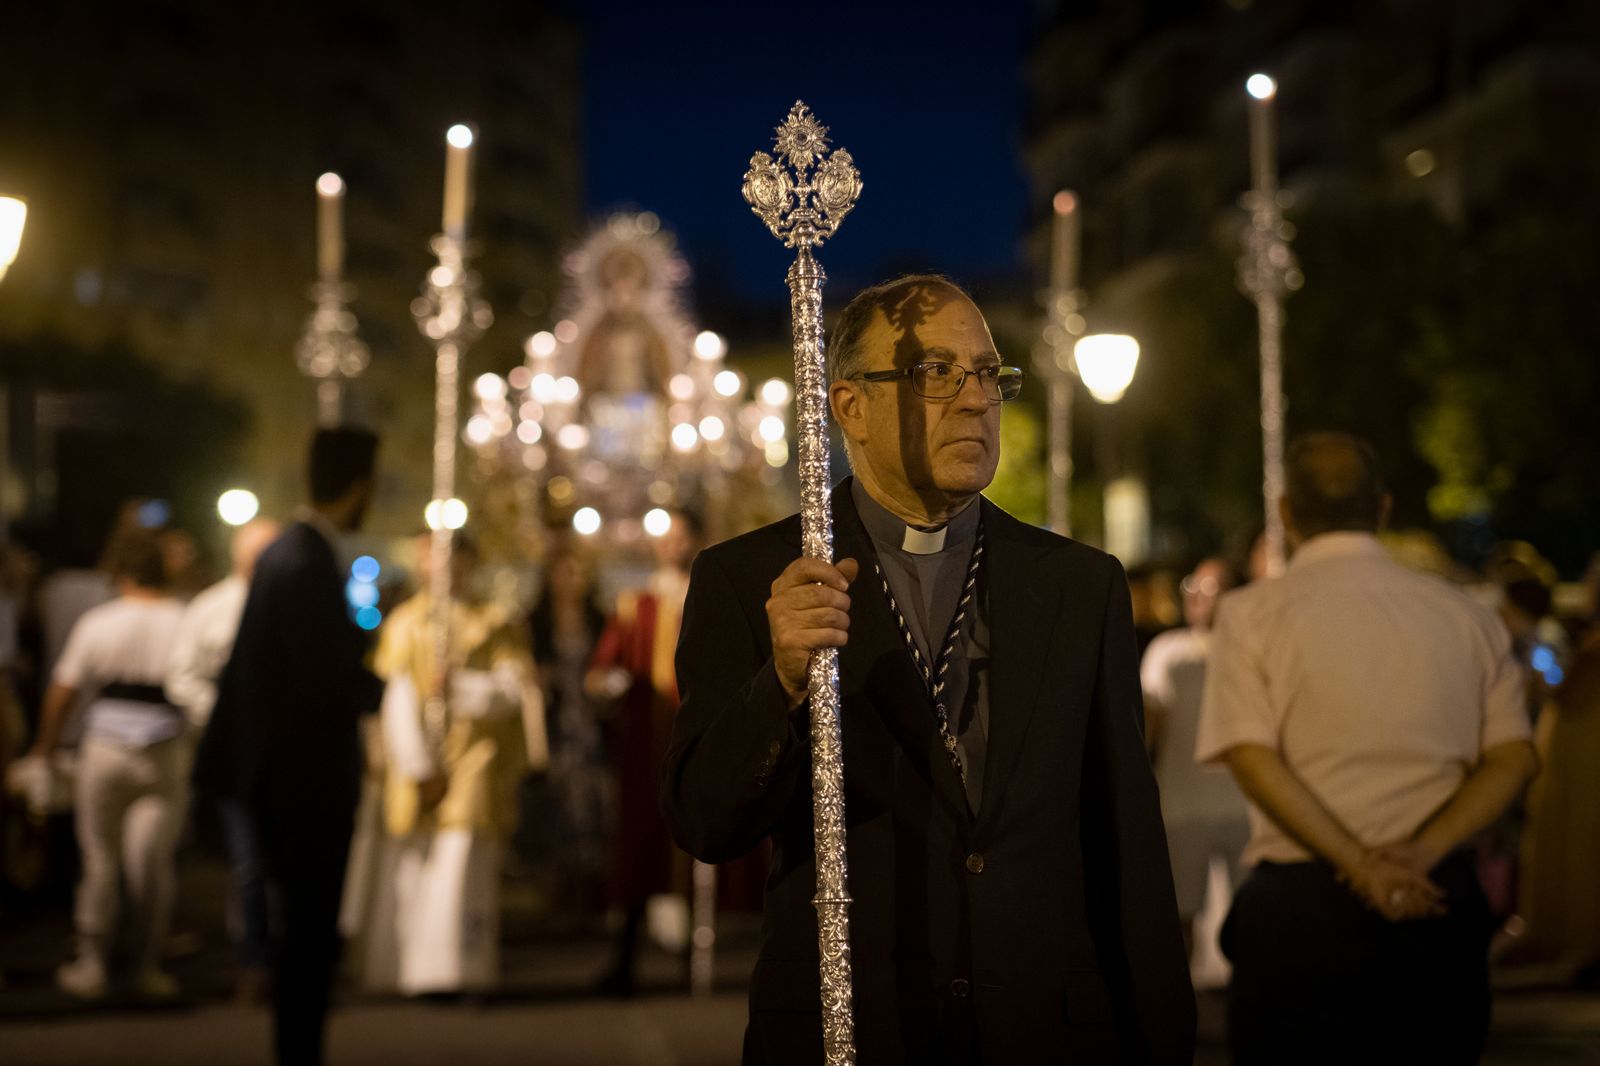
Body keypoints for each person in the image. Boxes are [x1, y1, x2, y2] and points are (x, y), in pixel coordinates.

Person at [661, 274, 1193, 1063]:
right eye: (934, 373)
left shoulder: (1079, 585)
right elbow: (704, 822)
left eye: (988, 374)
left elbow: (1127, 842)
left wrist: (1161, 1040)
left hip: (1045, 1031)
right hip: (854, 1025)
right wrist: (779, 681)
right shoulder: (754, 578)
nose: (976, 399)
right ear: (849, 407)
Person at [1196, 432, 1539, 1065]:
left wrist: (1359, 864)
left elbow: (1251, 755)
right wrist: (1418, 856)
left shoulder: (1251, 615)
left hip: (1302, 906)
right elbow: (1514, 757)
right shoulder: (1467, 616)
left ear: (1287, 514)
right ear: (1381, 508)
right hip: (1434, 893)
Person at [196, 426, 384, 1066]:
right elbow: (318, 680)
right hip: (302, 788)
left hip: (287, 782)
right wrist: (379, 685)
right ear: (360, 486)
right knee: (306, 939)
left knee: (301, 937)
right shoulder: (304, 560)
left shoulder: (291, 554)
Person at [358, 532, 545, 995]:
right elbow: (398, 699)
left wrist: (460, 688)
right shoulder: (406, 622)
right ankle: (408, 968)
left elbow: (510, 692)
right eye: (430, 559)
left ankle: (460, 968)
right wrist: (419, 765)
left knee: (462, 865)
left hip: (474, 759)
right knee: (415, 866)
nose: (440, 569)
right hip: (419, 760)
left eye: (451, 559)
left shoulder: (493, 621)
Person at [25, 528, 188, 1001]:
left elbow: (64, 690)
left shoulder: (102, 621)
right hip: (166, 748)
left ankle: (92, 964)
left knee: (99, 860)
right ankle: (147, 967)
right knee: (152, 863)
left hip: (105, 747)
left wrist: (44, 747)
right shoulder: (184, 619)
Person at [164, 516, 280, 1003]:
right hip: (237, 754)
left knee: (285, 861)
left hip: (285, 753)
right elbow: (181, 677)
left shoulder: (295, 608)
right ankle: (254, 959)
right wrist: (226, 713)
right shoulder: (211, 610)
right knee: (249, 860)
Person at [588, 509, 701, 995]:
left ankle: (695, 961)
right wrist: (606, 684)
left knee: (697, 845)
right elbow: (602, 668)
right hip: (644, 746)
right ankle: (626, 961)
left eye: (680, 537)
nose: (670, 546)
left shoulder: (709, 596)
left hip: (696, 738)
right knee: (637, 848)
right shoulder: (636, 604)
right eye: (665, 537)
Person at [1141, 556, 1249, 972]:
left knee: (1248, 916)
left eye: (1212, 589)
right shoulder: (1168, 650)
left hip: (1244, 806)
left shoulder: (1254, 649)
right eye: (1194, 587)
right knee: (1181, 914)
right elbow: (1148, 725)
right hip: (1181, 806)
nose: (1200, 598)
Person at [525, 546, 610, 914]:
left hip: (591, 721)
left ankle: (594, 888)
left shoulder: (598, 618)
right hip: (557, 722)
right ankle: (560, 889)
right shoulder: (537, 620)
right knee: (560, 799)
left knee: (594, 800)